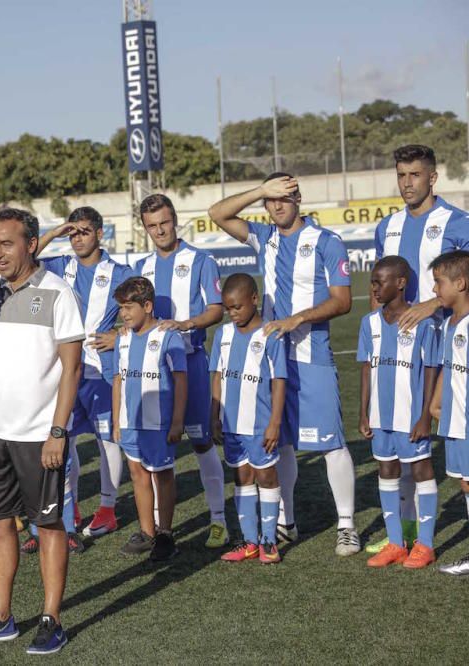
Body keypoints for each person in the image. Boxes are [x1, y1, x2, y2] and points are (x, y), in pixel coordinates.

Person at [208, 172, 359, 556]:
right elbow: (218, 213)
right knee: (282, 444)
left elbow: (342, 301)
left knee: (331, 442)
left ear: (299, 200)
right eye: (271, 200)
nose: (277, 206)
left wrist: (298, 318)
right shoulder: (265, 237)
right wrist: (260, 189)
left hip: (311, 357)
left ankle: (346, 525)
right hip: (271, 358)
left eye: (284, 198)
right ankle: (286, 522)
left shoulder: (327, 242)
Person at [0, 208, 82, 655]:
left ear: (31, 244)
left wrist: (58, 431)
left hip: (40, 437)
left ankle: (51, 620)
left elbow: (73, 368)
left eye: (7, 243)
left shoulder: (56, 292)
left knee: (48, 526)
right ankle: (0, 617)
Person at [366, 144, 469, 555]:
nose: (407, 183)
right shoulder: (386, 227)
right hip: (398, 352)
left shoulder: (457, 221)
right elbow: (379, 290)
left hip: (448, 349)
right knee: (399, 444)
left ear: (432, 177)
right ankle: (404, 536)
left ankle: (425, 539)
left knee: (442, 448)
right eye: (401, 175)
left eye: (415, 175)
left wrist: (433, 303)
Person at [34, 207, 132, 548]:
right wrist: (57, 230)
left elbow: (143, 316)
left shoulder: (119, 272)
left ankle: (107, 508)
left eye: (84, 232)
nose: (78, 238)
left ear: (100, 233)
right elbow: (29, 256)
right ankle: (70, 510)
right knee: (66, 440)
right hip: (66, 372)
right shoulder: (62, 266)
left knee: (108, 441)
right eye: (73, 233)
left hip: (103, 372)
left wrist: (119, 336)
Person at [133, 194, 228, 548]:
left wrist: (187, 323)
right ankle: (158, 528)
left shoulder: (200, 261)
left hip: (190, 363)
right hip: (152, 373)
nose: (159, 230)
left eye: (164, 223)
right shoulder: (140, 268)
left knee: (202, 443)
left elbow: (216, 309)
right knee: (155, 448)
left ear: (175, 221)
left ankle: (218, 519)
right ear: (145, 228)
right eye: (152, 226)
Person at [358, 257, 439, 569]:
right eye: (374, 282)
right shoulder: (370, 323)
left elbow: (430, 369)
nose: (375, 288)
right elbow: (366, 368)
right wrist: (364, 413)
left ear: (401, 283)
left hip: (411, 417)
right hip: (380, 417)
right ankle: (395, 543)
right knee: (387, 472)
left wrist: (424, 416)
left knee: (421, 472)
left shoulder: (422, 322)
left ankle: (426, 544)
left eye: (381, 282)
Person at [210, 274, 287, 564]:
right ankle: (249, 540)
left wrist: (274, 423)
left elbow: (279, 381)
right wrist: (213, 416)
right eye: (228, 308)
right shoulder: (223, 334)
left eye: (238, 307)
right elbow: (216, 375)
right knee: (241, 477)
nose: (232, 313)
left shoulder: (270, 335)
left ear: (254, 299)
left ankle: (269, 540)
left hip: (259, 423)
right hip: (231, 424)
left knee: (266, 476)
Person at [111, 277, 186, 562]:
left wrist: (177, 420)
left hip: (158, 422)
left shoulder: (168, 336)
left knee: (162, 475)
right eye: (121, 308)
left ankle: (165, 533)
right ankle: (147, 532)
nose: (124, 313)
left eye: (129, 307)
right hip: (131, 421)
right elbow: (118, 380)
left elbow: (180, 380)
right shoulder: (124, 339)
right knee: (137, 474)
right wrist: (118, 420)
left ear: (148, 306)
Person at [428, 251, 469, 575]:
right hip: (455, 422)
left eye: (439, 283)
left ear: (461, 283)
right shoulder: (450, 323)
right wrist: (435, 402)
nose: (433, 290)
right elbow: (447, 366)